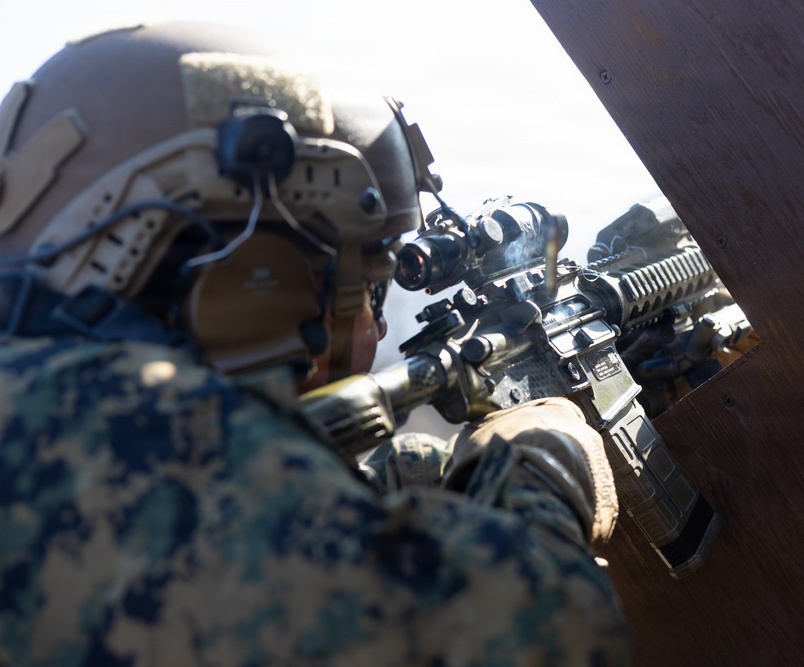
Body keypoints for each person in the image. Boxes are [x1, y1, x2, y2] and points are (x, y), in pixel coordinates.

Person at [0, 22, 629, 665]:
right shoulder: (118, 428)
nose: (379, 327)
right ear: (250, 285)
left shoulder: (47, 407)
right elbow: (540, 638)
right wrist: (545, 467)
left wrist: (374, 481)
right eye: (372, 286)